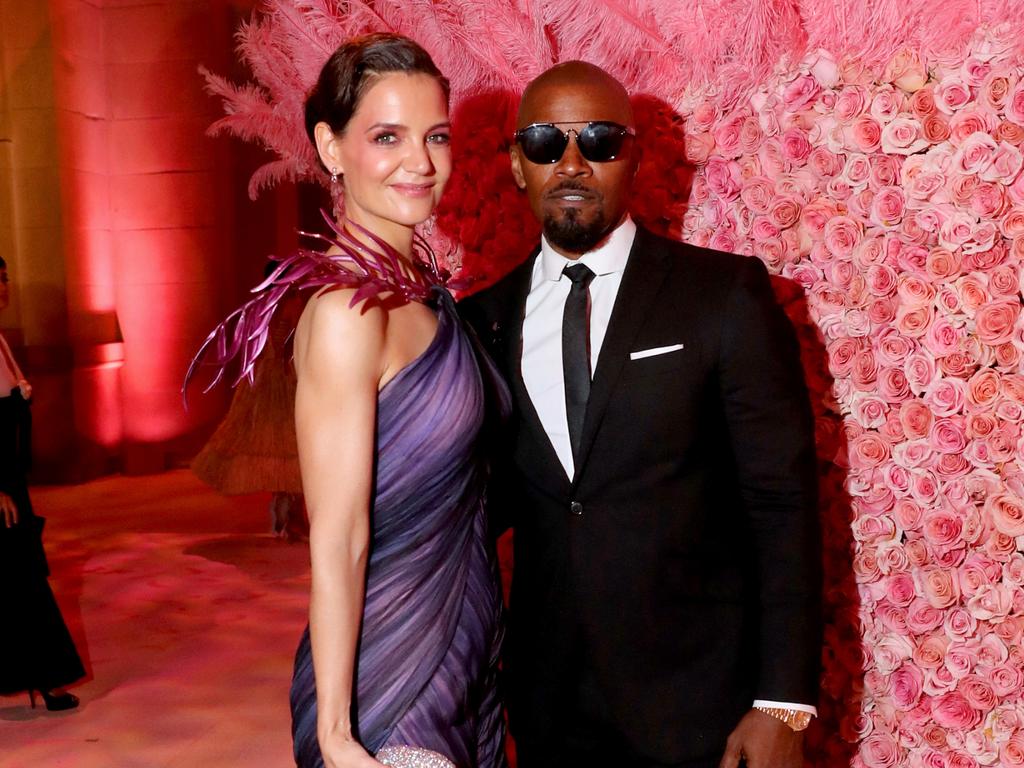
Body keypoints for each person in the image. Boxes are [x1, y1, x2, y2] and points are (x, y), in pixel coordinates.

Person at [460, 61, 821, 768]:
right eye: (543, 142)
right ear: (515, 164)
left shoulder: (723, 297)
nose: (570, 162)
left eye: (598, 140)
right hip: (548, 712)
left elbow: (782, 506)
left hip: (705, 712)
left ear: (634, 156)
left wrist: (783, 702)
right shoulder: (481, 323)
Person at [189, 34, 508, 768]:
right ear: (330, 148)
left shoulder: (419, 296)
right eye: (386, 137)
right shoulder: (345, 314)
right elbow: (338, 535)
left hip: (465, 663)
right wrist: (337, 731)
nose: (420, 163)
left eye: (435, 136)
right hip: (392, 688)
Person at [0, 256, 85, 711]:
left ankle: (44, 678)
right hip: (0, 484)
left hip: (11, 479)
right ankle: (46, 680)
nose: (2, 287)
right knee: (22, 581)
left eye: (4, 279)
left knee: (23, 580)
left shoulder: (0, 339)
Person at [191, 260, 307, 540]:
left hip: (261, 377)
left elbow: (253, 344)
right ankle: (289, 512)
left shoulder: (259, 306)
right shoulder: (292, 305)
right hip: (282, 378)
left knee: (280, 445)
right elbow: (292, 345)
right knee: (291, 445)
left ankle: (284, 509)